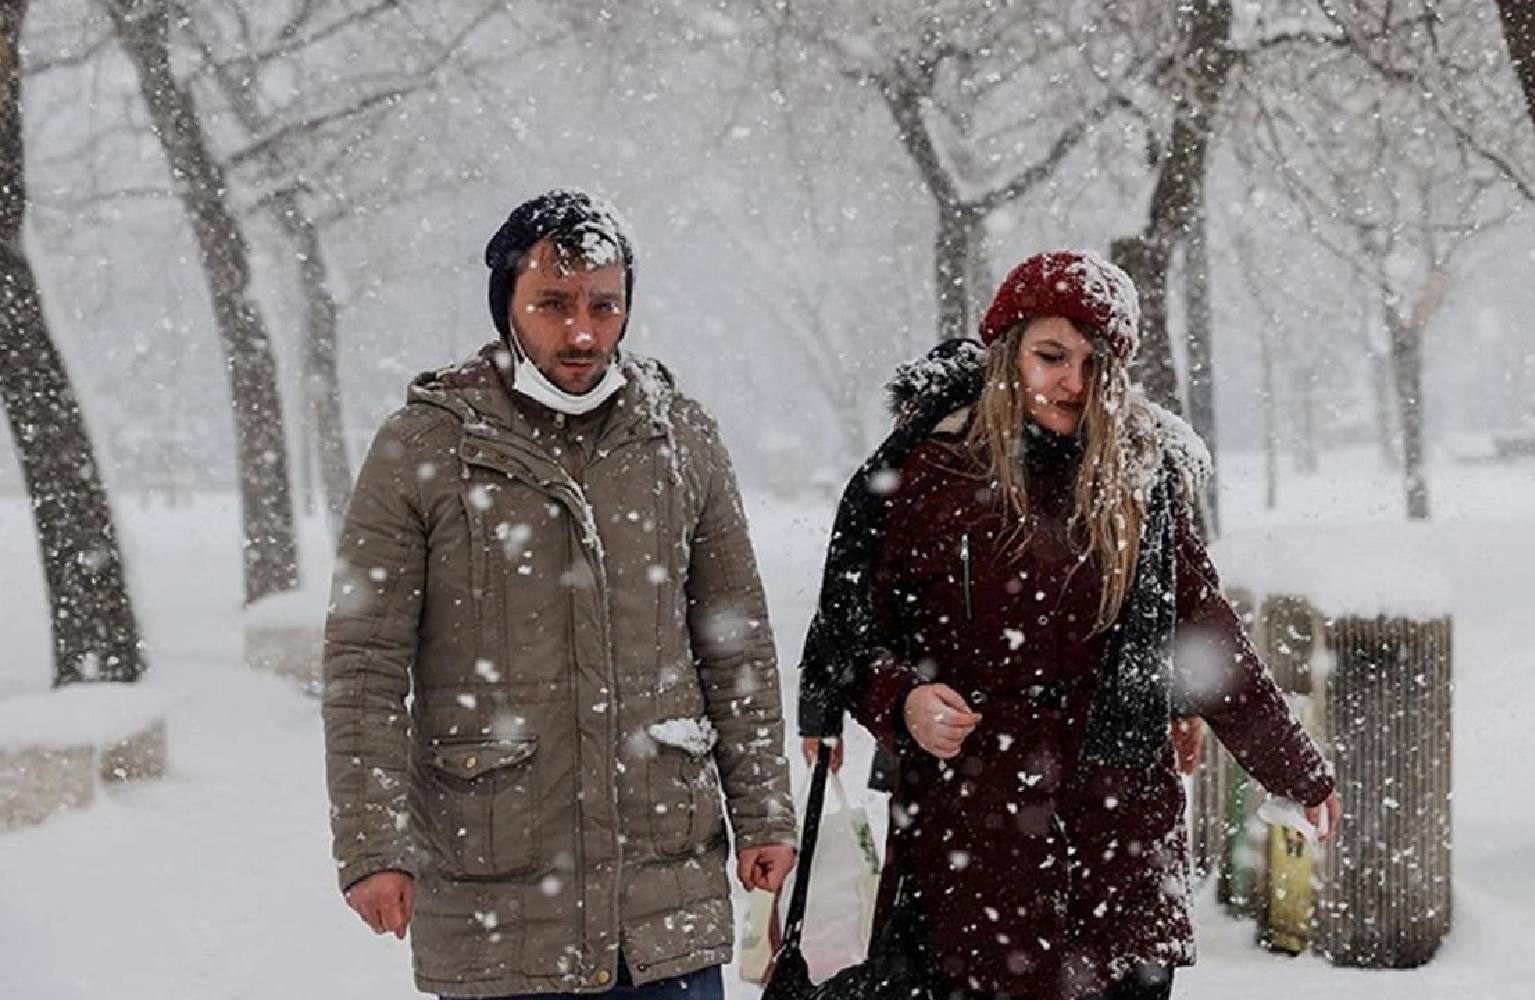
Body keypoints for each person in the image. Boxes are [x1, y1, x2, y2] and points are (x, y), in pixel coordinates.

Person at [797, 251, 1341, 1000]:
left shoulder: (1145, 479)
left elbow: (1205, 632)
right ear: (1007, 351)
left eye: (1095, 364)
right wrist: (904, 701)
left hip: (1119, 850)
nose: (1073, 385)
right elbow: (853, 640)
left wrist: (1293, 767)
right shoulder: (932, 477)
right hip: (974, 848)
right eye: (1051, 356)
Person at [321, 189, 796, 999]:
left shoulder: (680, 438)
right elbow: (364, 663)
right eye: (553, 305)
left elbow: (734, 639)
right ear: (507, 303)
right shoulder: (425, 447)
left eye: (603, 306)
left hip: (662, 893)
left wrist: (765, 812)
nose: (582, 332)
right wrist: (374, 846)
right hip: (496, 885)